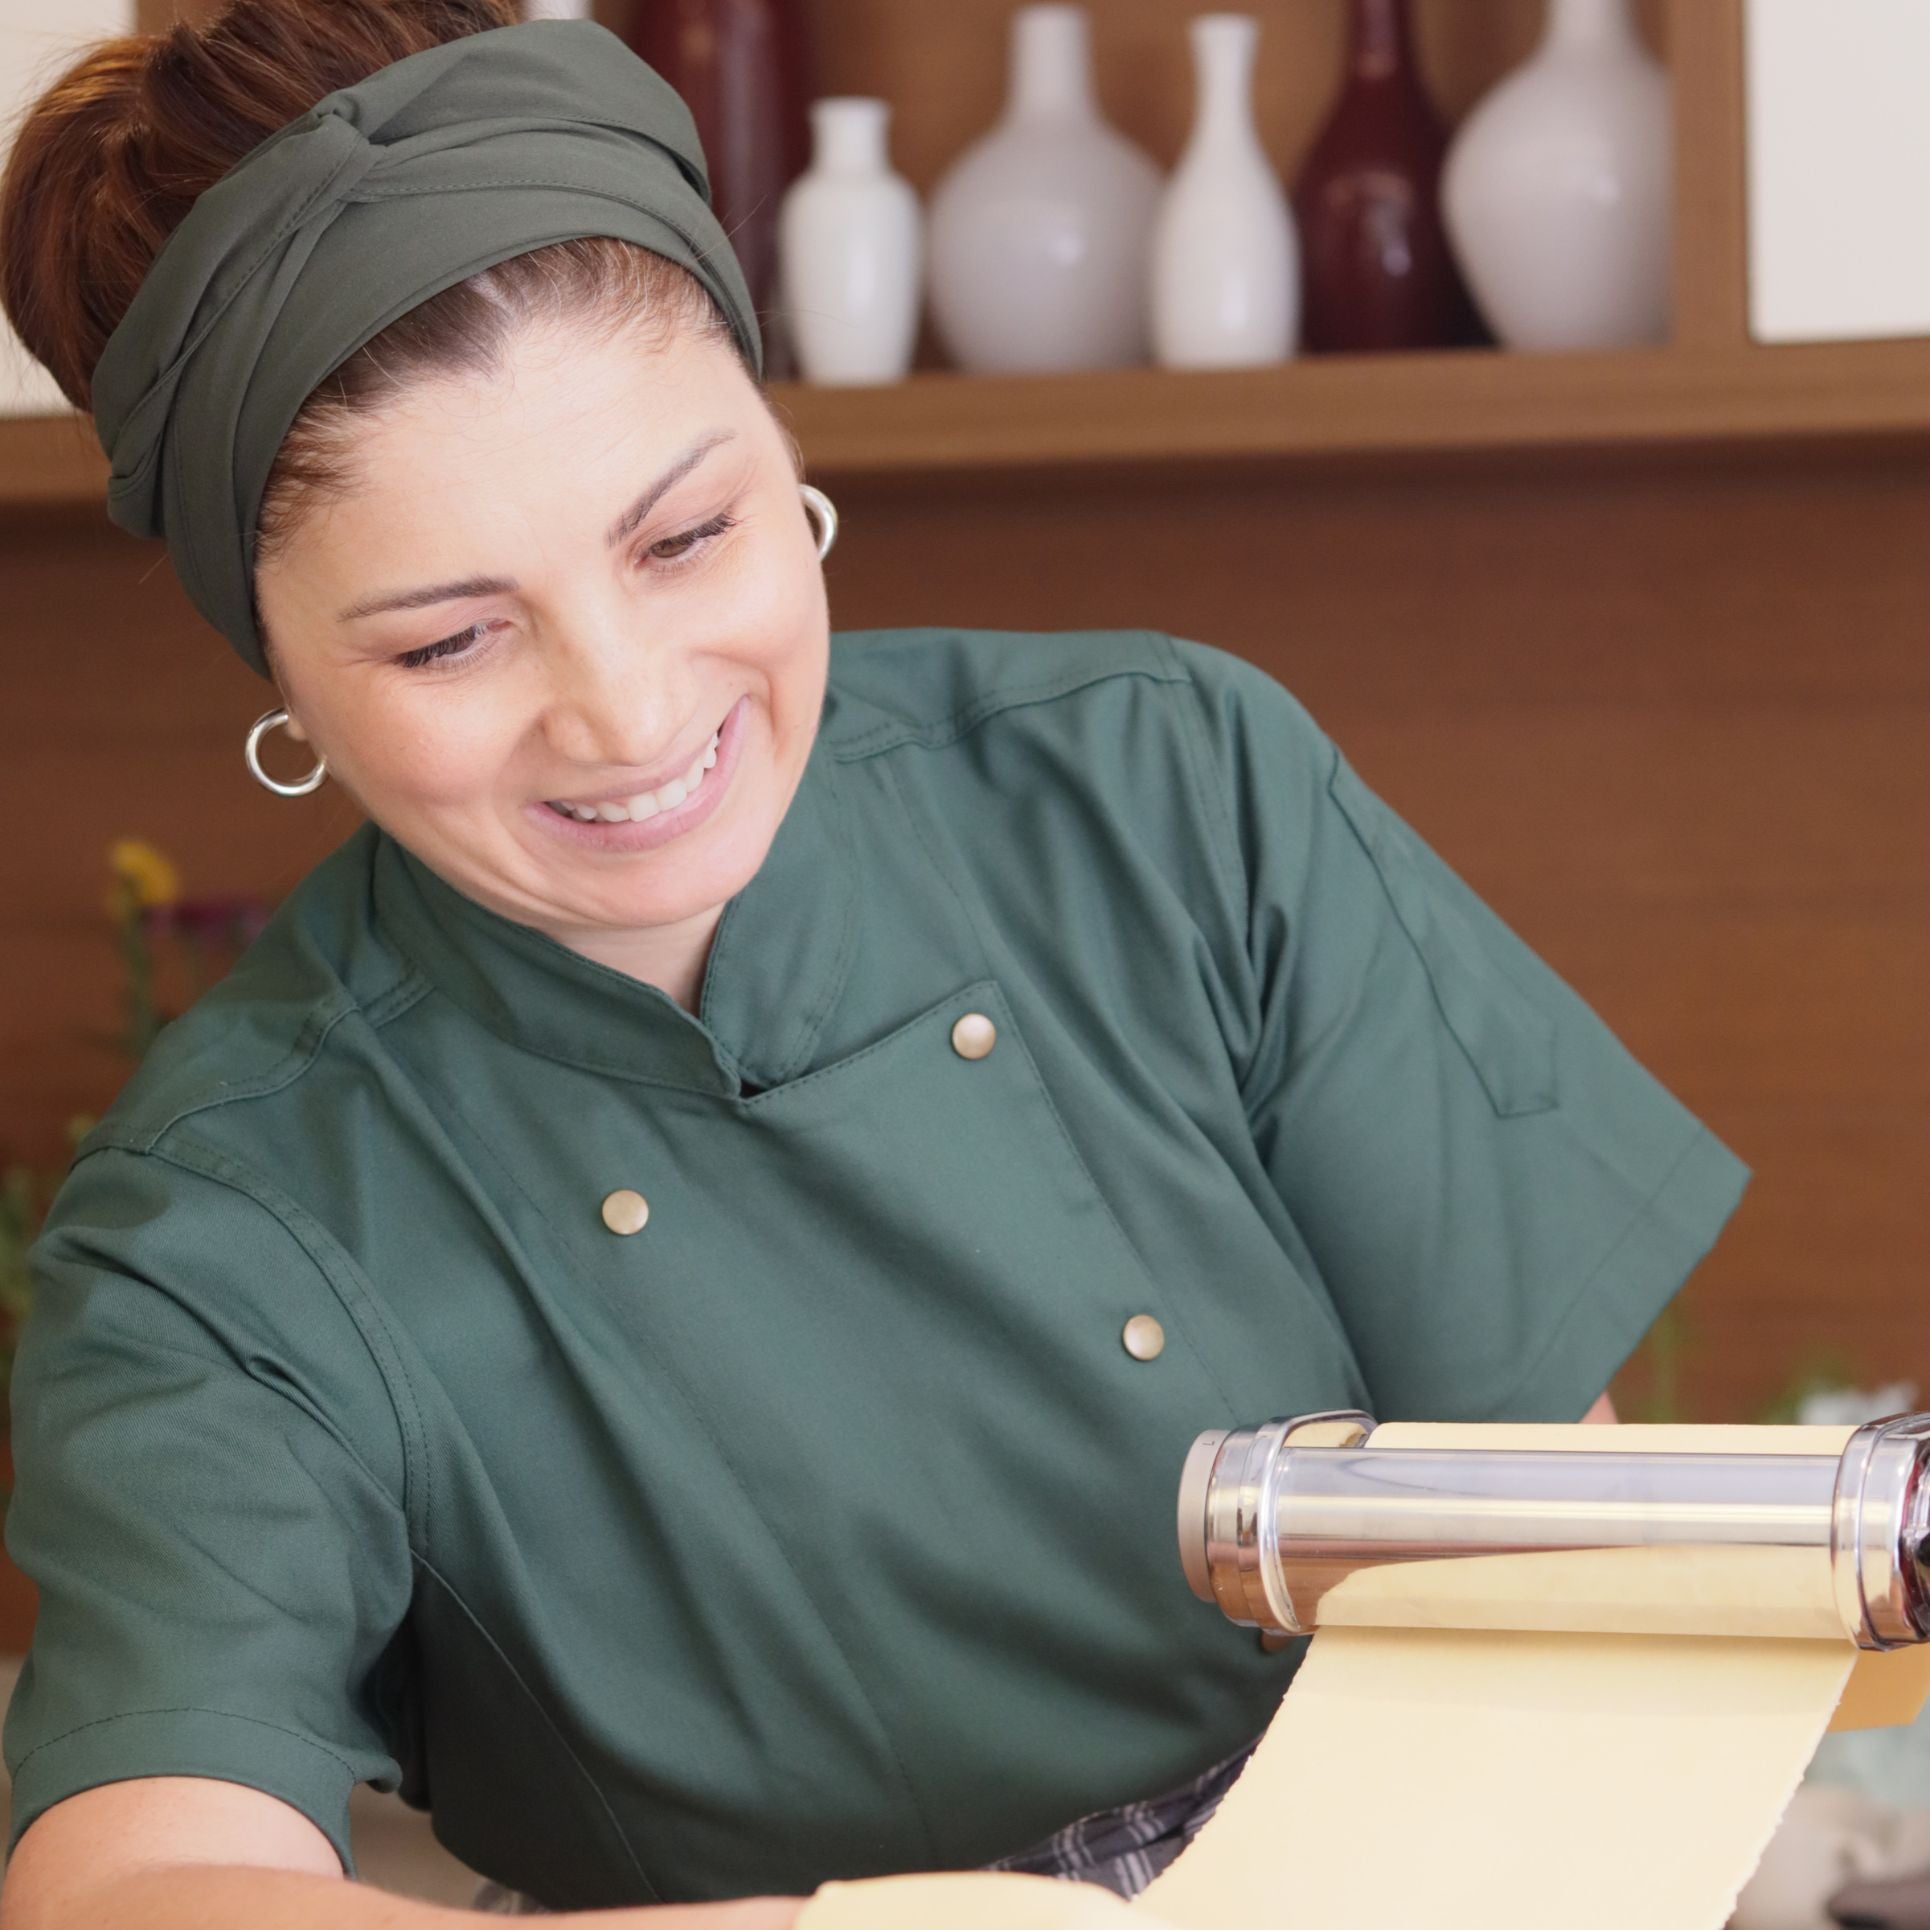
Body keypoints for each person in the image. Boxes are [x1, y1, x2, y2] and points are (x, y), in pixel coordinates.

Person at [0, 1, 1750, 1924]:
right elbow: (138, 1870)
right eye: (447, 644)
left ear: (788, 443)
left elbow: (1555, 1528)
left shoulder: (1164, 780)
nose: (629, 710)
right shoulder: (226, 1213)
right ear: (285, 682)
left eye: (684, 537)